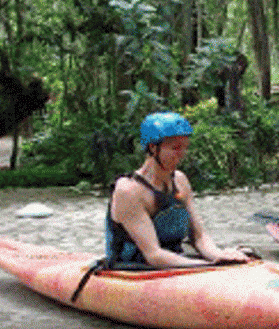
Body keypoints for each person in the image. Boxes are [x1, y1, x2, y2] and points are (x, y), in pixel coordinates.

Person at [106, 112, 249, 268]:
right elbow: (154, 255)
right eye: (175, 148)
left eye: (185, 147)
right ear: (153, 147)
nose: (182, 154)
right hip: (133, 267)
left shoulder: (180, 180)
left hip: (175, 263)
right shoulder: (128, 190)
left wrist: (218, 256)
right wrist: (207, 266)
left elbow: (199, 237)